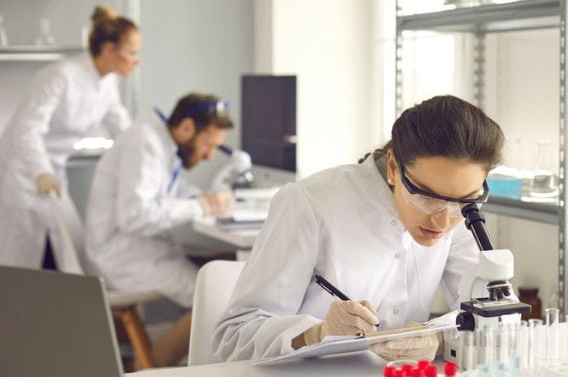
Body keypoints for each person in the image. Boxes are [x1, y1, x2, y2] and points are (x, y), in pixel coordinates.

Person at [212, 95, 504, 362]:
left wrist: (440, 338)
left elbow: (500, 317)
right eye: (426, 197)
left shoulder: (460, 208)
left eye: (463, 201)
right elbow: (233, 337)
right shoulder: (309, 204)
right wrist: (315, 333)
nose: (443, 222)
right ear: (393, 167)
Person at [86, 93, 236, 367]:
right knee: (215, 298)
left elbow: (166, 190)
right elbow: (135, 216)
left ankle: (154, 367)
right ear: (187, 127)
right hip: (123, 255)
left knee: (218, 280)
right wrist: (200, 206)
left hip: (139, 248)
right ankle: (145, 371)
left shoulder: (159, 142)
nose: (209, 155)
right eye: (208, 145)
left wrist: (204, 198)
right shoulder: (145, 144)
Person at [0, 5, 140, 269]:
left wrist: (150, 148)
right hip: (22, 172)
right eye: (132, 52)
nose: (137, 60)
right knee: (17, 260)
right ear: (110, 49)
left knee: (72, 251)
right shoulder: (60, 75)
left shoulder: (107, 83)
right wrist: (40, 171)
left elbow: (122, 128)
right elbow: (27, 128)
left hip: (54, 174)